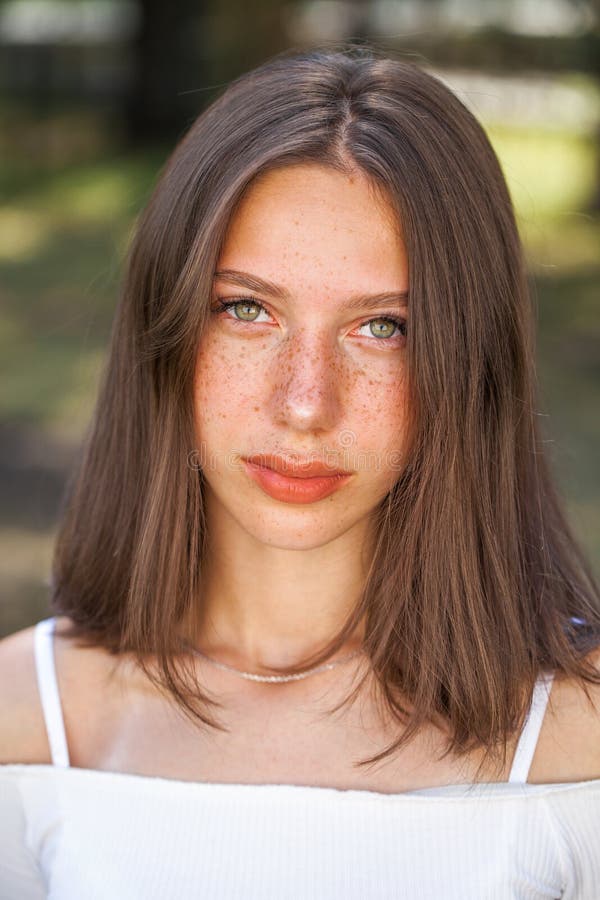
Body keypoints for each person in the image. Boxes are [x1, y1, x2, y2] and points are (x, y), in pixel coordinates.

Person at [1, 43, 600, 899]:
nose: (306, 404)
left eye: (382, 327)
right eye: (247, 310)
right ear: (167, 333)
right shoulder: (26, 723)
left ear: (470, 364)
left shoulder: (581, 740)